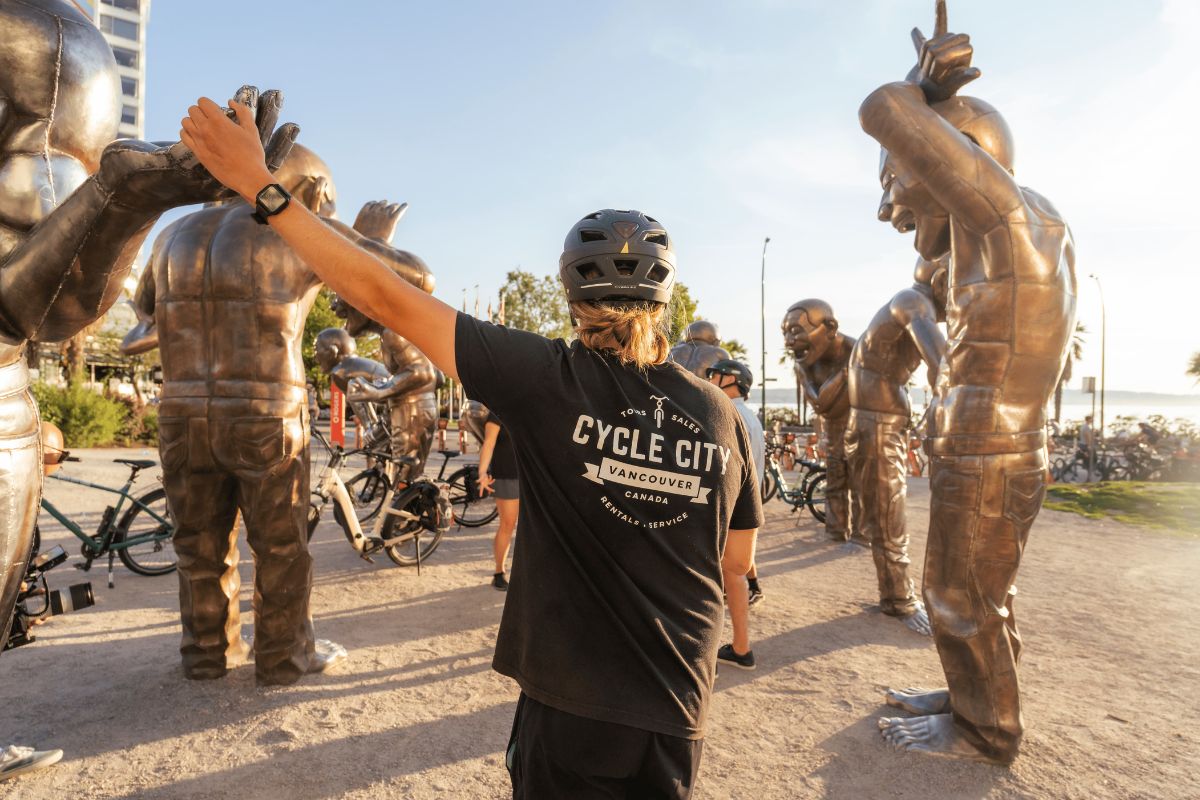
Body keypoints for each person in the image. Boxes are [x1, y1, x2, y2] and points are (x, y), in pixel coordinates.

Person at [178, 101, 762, 797]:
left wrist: (261, 187)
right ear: (664, 300)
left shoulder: (549, 379)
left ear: (573, 297)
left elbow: (384, 296)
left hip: (574, 703)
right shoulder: (720, 413)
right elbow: (737, 561)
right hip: (679, 704)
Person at [119, 142, 430, 686]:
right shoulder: (293, 224)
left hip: (183, 412)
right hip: (265, 411)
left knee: (197, 546)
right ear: (309, 189)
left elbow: (139, 329)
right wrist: (370, 240)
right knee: (280, 547)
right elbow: (417, 279)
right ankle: (285, 657)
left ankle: (207, 653)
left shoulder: (173, 235)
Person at [863, 5, 1076, 763]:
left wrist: (918, 93)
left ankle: (986, 732)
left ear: (956, 159)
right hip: (988, 449)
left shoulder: (1007, 223)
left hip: (991, 454)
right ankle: (969, 699)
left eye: (895, 180)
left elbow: (880, 110)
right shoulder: (1007, 238)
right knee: (982, 595)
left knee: (959, 598)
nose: (886, 207)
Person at [845, 258, 947, 637]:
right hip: (877, 423)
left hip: (879, 420)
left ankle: (896, 595)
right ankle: (900, 600)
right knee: (889, 511)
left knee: (885, 510)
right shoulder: (912, 302)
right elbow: (944, 364)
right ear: (942, 278)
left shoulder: (910, 304)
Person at [781, 299, 859, 542]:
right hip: (835, 426)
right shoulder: (803, 363)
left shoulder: (856, 351)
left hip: (862, 427)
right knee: (835, 481)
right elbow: (820, 403)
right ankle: (836, 530)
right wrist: (844, 375)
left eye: (796, 331)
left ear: (830, 327)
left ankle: (862, 534)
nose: (789, 341)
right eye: (785, 333)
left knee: (861, 484)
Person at [706, 359, 763, 671]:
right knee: (736, 576)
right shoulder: (749, 416)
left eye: (715, 374)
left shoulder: (728, 413)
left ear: (731, 380)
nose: (711, 378)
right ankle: (740, 647)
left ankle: (738, 648)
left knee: (725, 579)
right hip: (745, 508)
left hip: (731, 508)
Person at [477, 411, 518, 590]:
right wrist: (482, 472)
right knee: (507, 525)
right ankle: (499, 572)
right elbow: (489, 443)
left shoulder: (534, 406)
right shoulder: (497, 412)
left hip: (534, 477)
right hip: (507, 475)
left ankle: (527, 574)